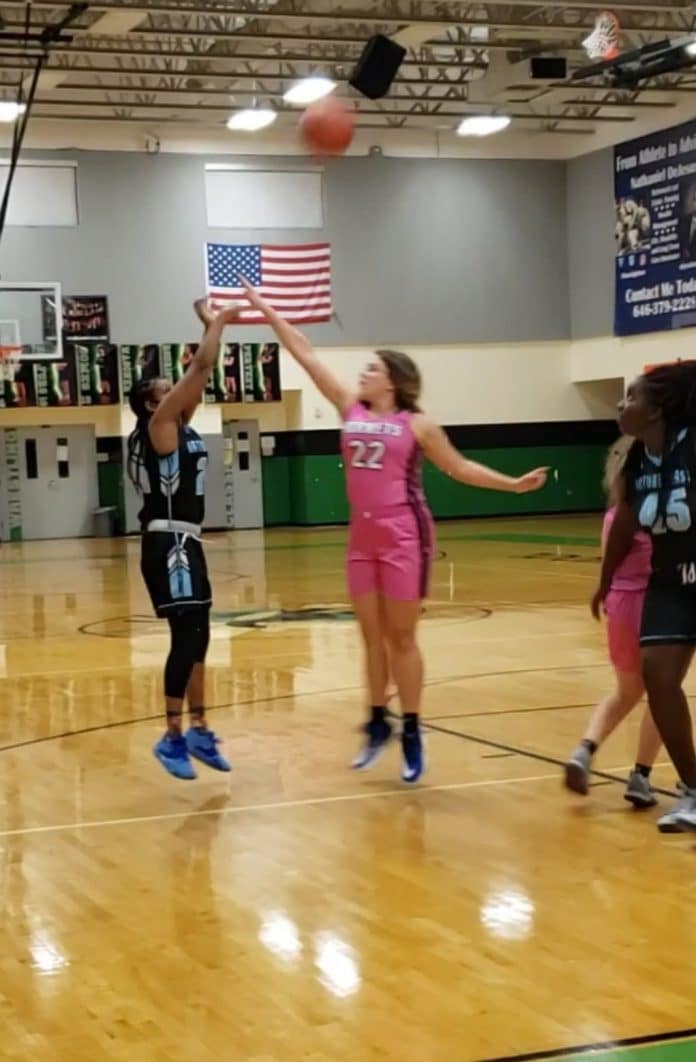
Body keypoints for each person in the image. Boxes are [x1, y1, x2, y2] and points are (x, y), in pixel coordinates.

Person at [239, 276, 549, 783]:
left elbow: (460, 467)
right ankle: (376, 721)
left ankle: (411, 727)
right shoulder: (349, 407)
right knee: (371, 637)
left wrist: (514, 485)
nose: (363, 372)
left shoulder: (419, 425)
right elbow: (304, 352)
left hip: (406, 535)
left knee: (402, 638)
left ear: (394, 381)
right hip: (361, 539)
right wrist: (265, 307)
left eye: (373, 368)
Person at [127, 299, 239, 780]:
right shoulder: (158, 428)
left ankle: (198, 728)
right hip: (167, 544)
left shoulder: (178, 422)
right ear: (154, 404)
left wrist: (210, 326)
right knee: (185, 637)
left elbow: (202, 374)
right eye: (165, 388)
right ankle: (171, 735)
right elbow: (203, 365)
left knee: (202, 638)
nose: (176, 389)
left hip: (188, 542)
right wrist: (217, 322)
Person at [592, 362, 696, 831]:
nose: (622, 405)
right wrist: (605, 579)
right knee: (657, 675)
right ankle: (692, 792)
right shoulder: (638, 458)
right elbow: (628, 522)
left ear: (657, 410)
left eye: (631, 397)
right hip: (668, 580)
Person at [565, 436, 662, 805]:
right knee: (661, 695)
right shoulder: (661, 513)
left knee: (625, 691)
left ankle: (585, 749)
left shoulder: (613, 516)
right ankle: (641, 775)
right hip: (654, 605)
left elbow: (608, 568)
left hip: (619, 605)